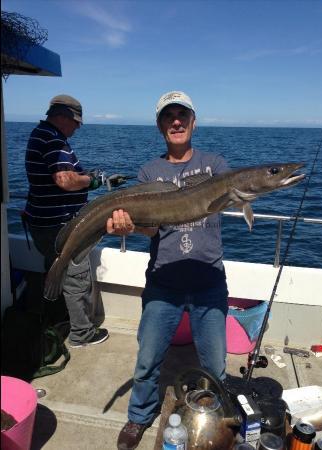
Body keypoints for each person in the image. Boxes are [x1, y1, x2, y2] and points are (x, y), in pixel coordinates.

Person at [106, 91, 230, 450]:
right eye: (168, 116)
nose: (176, 121)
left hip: (209, 281)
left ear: (193, 121)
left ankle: (211, 417)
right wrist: (128, 227)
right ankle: (138, 417)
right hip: (164, 283)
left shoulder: (216, 165)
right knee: (147, 361)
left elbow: (231, 194)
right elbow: (148, 228)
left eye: (183, 115)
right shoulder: (149, 171)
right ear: (161, 125)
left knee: (216, 365)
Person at [24, 94, 109, 347]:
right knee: (75, 277)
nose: (79, 127)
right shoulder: (52, 139)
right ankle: (81, 334)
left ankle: (58, 322)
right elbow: (64, 180)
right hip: (59, 227)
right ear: (64, 117)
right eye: (77, 121)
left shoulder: (40, 134)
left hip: (43, 224)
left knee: (56, 273)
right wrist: (91, 180)